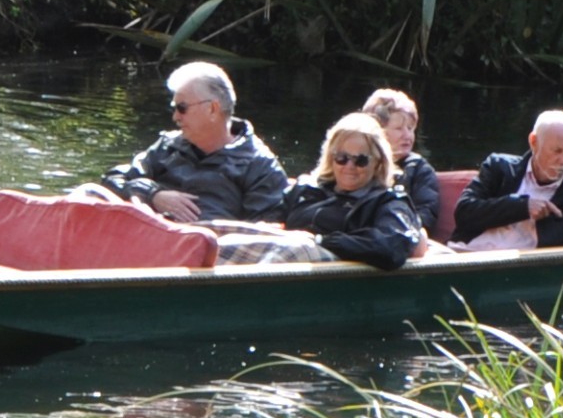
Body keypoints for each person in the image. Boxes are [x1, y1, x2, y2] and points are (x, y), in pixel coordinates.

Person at [101, 61, 289, 222]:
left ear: (212, 109)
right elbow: (113, 179)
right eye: (174, 108)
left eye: (182, 108)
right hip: (155, 237)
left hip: (216, 249)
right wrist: (153, 194)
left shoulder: (260, 165)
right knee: (88, 192)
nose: (175, 117)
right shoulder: (167, 146)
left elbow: (265, 230)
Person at [256, 112, 425, 271]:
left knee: (295, 249)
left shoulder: (389, 202)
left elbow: (391, 247)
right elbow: (272, 221)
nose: (349, 166)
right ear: (331, 158)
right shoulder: (304, 189)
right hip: (281, 254)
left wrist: (321, 241)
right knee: (234, 235)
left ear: (378, 163)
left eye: (361, 160)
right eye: (341, 158)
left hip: (327, 270)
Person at [450, 109, 563, 251]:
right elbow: (464, 213)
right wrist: (521, 207)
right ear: (534, 143)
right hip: (465, 254)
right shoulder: (500, 167)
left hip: (525, 271)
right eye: (557, 151)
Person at [362, 87, 439, 230]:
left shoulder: (419, 169)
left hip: (400, 237)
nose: (407, 136)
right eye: (399, 129)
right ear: (376, 131)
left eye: (410, 128)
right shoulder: (357, 163)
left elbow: (426, 216)